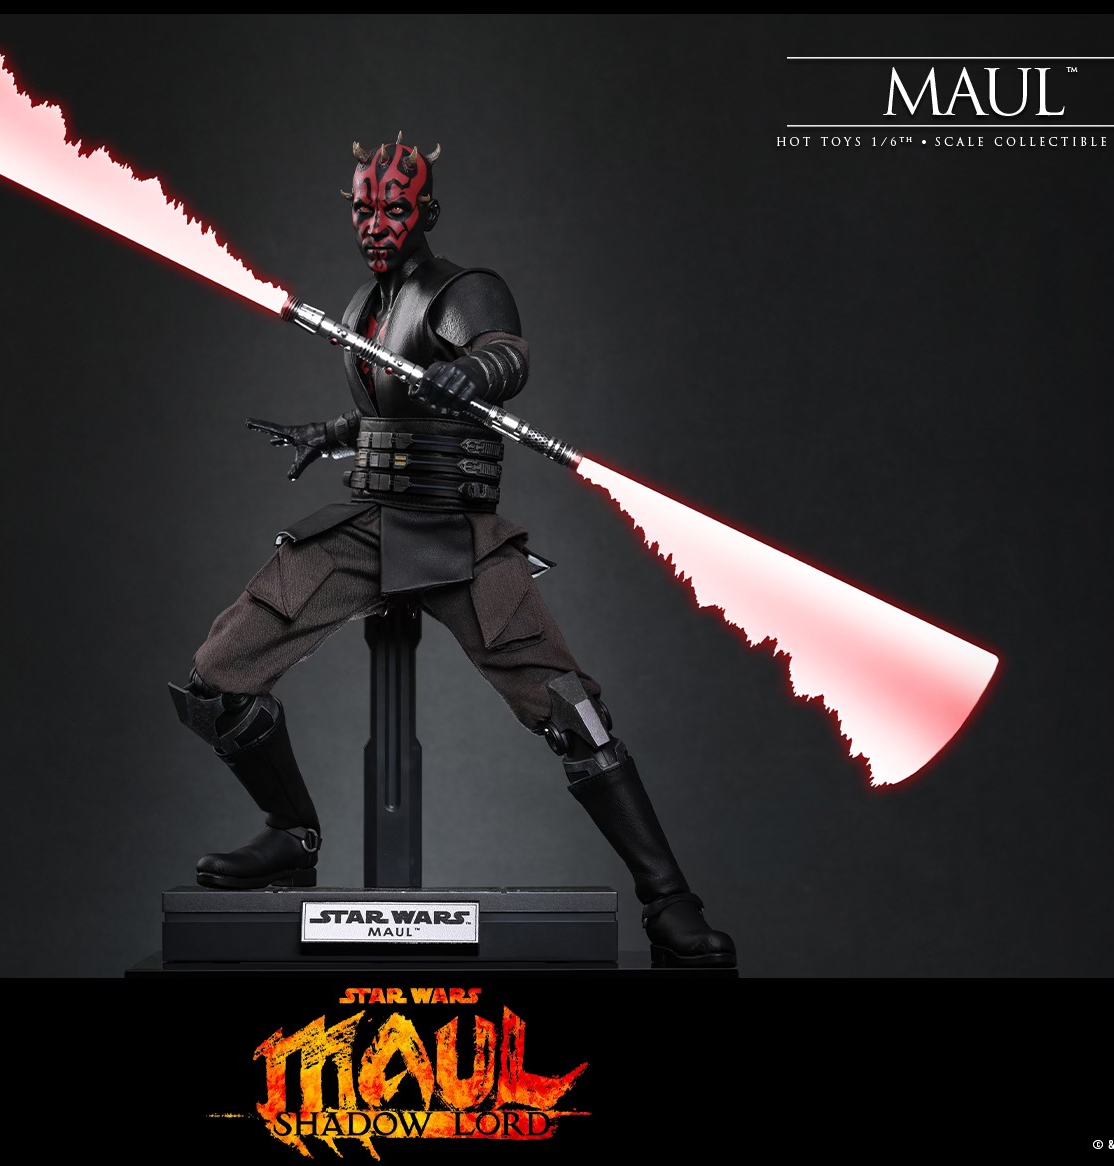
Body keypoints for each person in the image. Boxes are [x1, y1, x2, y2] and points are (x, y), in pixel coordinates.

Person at [169, 135, 735, 967]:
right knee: (216, 679)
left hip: (455, 536)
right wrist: (330, 432)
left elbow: (504, 351)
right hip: (367, 528)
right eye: (364, 209)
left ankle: (670, 904)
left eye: (393, 209)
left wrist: (478, 372)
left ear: (425, 212)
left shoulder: (462, 289)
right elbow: (390, 408)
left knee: (574, 713)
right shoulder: (366, 303)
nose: (375, 224)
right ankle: (292, 834)